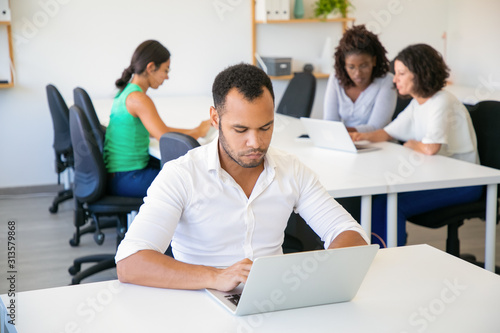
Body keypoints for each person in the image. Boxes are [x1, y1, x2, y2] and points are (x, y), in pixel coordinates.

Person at [115, 63, 369, 291]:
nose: (255, 142)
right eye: (240, 129)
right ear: (215, 118)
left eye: (265, 127)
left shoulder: (291, 169)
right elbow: (130, 262)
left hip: (275, 300)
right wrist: (216, 277)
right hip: (202, 302)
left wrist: (316, 275)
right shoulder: (182, 175)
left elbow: (349, 233)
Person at [350, 44, 483, 246]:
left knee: (391, 204)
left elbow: (431, 148)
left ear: (420, 73)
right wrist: (358, 136)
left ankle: (390, 258)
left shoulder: (442, 100)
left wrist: (411, 143)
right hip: (439, 177)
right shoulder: (418, 103)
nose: (395, 80)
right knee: (380, 199)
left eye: (401, 73)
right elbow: (388, 133)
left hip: (464, 184)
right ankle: (377, 253)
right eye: (396, 73)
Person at [103, 40, 211, 198]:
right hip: (127, 178)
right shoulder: (138, 98)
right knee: (188, 185)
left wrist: (197, 130)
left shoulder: (126, 92)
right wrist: (198, 131)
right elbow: (166, 138)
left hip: (119, 175)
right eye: (165, 70)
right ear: (150, 67)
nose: (167, 77)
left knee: (181, 174)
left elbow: (159, 131)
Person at [324, 25, 397, 133]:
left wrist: (340, 132)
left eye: (363, 66)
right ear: (344, 64)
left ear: (374, 61)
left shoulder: (387, 81)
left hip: (380, 145)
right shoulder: (336, 79)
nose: (357, 74)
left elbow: (376, 128)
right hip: (347, 142)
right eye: (351, 67)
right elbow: (330, 121)